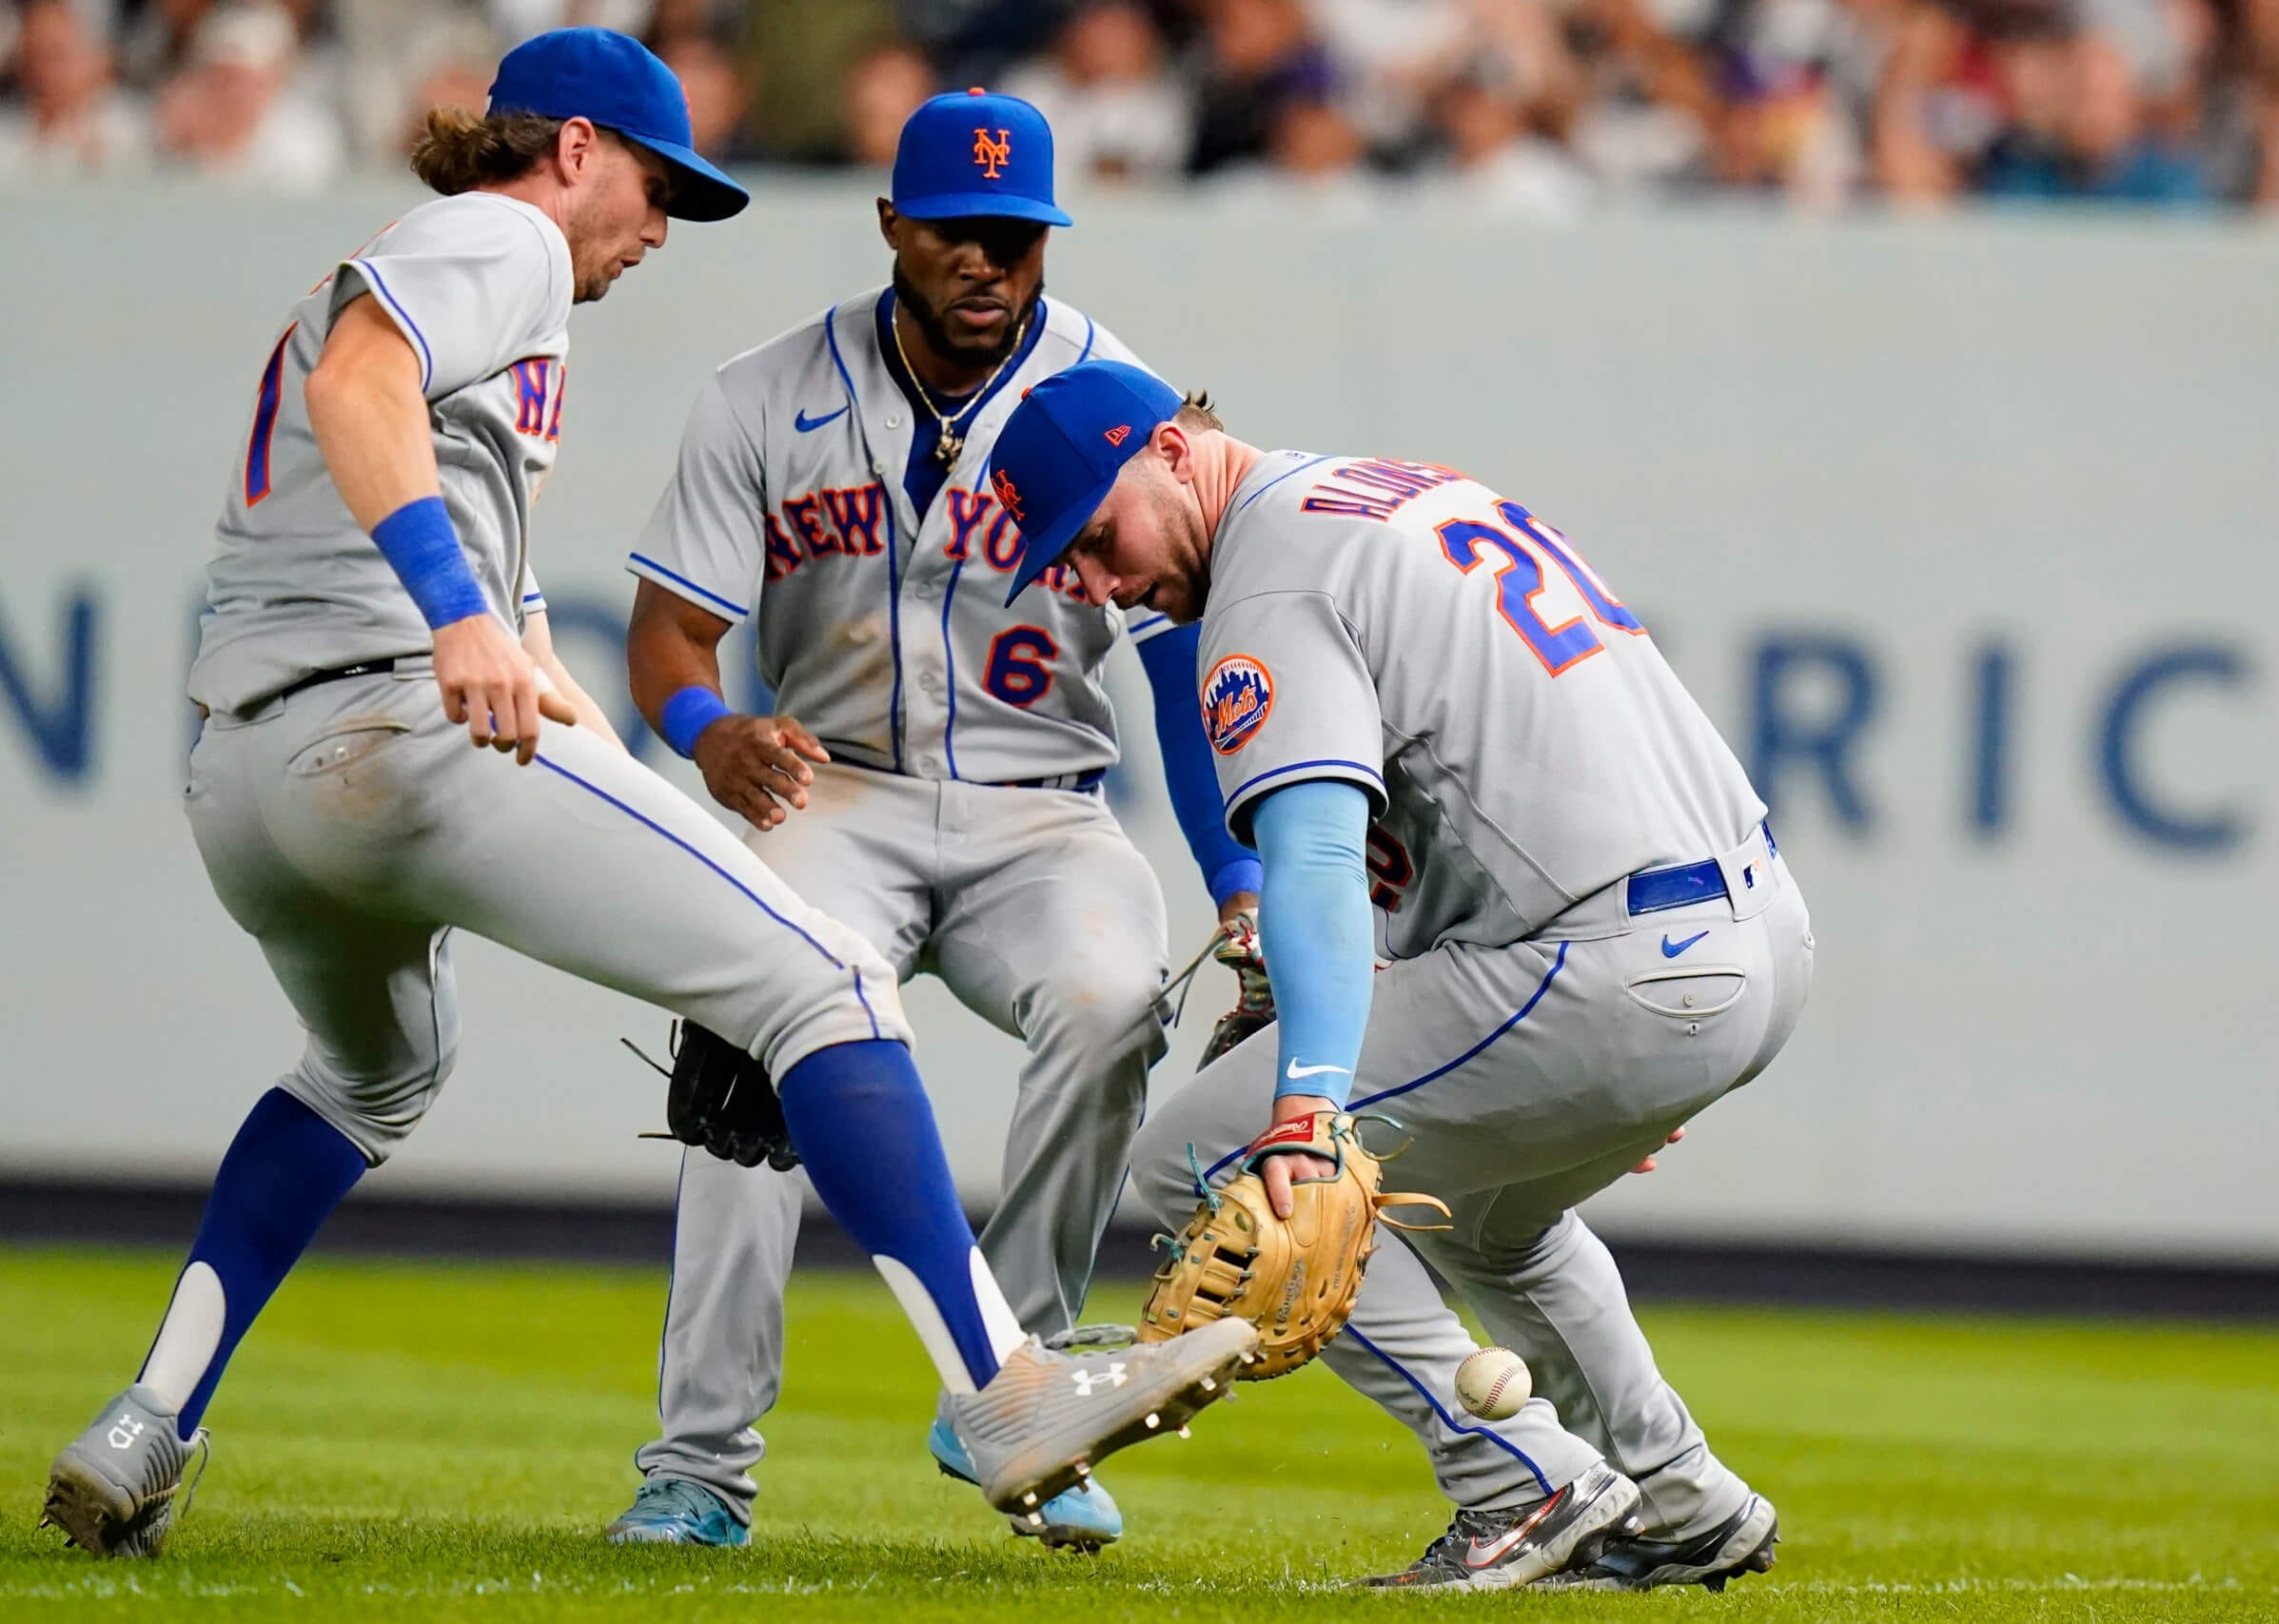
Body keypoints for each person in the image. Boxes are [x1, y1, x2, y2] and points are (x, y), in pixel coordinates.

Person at [35, 36, 1250, 1563]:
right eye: (659, 186)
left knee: (372, 1074)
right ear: (574, 149)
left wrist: (519, 637)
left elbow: (474, 543)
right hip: (394, 725)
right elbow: (365, 386)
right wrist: (457, 617)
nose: (660, 227)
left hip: (250, 781)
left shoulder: (464, 288)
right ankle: (998, 1389)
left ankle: (147, 1422)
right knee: (822, 980)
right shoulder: (504, 238)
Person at [985, 362, 1814, 1592]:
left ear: (1171, 449)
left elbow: (1314, 852)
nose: (1101, 587)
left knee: (1210, 1160)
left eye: (1098, 539)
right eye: (1072, 570)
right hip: (1750, 940)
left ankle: (1517, 1477)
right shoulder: (1388, 495)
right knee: (1490, 1220)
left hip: (1615, 965)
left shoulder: (1268, 574)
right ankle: (1680, 1496)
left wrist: (1310, 1107)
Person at [601, 88, 1264, 1554]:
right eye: (960, 232)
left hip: (1043, 810)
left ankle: (1010, 1388)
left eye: (1018, 236)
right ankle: (700, 1462)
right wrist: (711, 738)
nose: (991, 262)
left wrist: (1235, 876)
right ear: (894, 223)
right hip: (827, 787)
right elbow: (665, 637)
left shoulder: (1114, 398)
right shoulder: (764, 393)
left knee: (1106, 1005)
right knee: (750, 1039)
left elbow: (1177, 670)